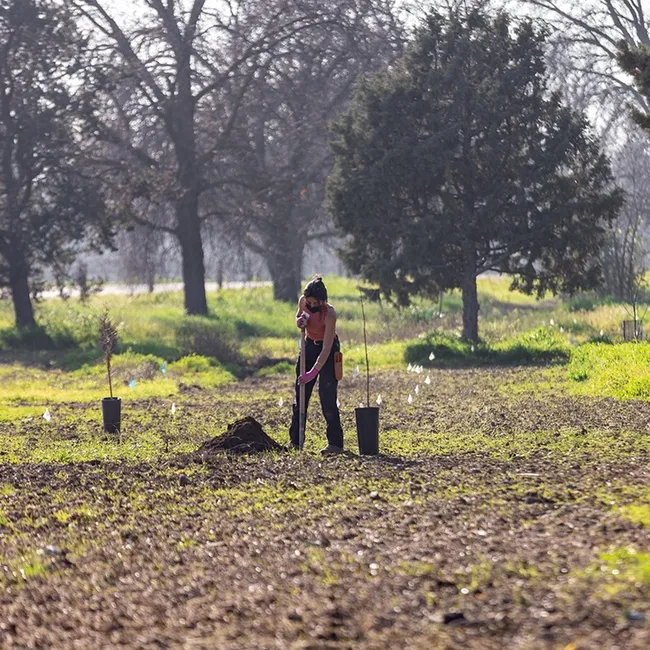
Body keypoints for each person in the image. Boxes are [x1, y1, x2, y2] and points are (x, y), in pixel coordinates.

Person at [289, 275, 344, 454]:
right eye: (309, 302)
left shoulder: (330, 314)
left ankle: (335, 444)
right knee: (301, 397)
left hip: (328, 352)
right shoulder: (303, 301)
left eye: (315, 303)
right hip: (308, 348)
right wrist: (299, 321)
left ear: (322, 301)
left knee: (327, 398)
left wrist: (313, 373)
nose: (311, 305)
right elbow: (299, 317)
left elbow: (327, 348)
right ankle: (296, 441)